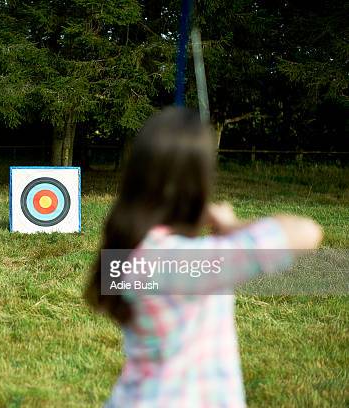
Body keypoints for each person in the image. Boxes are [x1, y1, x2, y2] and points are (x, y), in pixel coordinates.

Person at [85, 107, 322, 407]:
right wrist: (232, 225)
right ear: (196, 184)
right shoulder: (185, 263)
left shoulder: (133, 248)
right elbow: (307, 232)